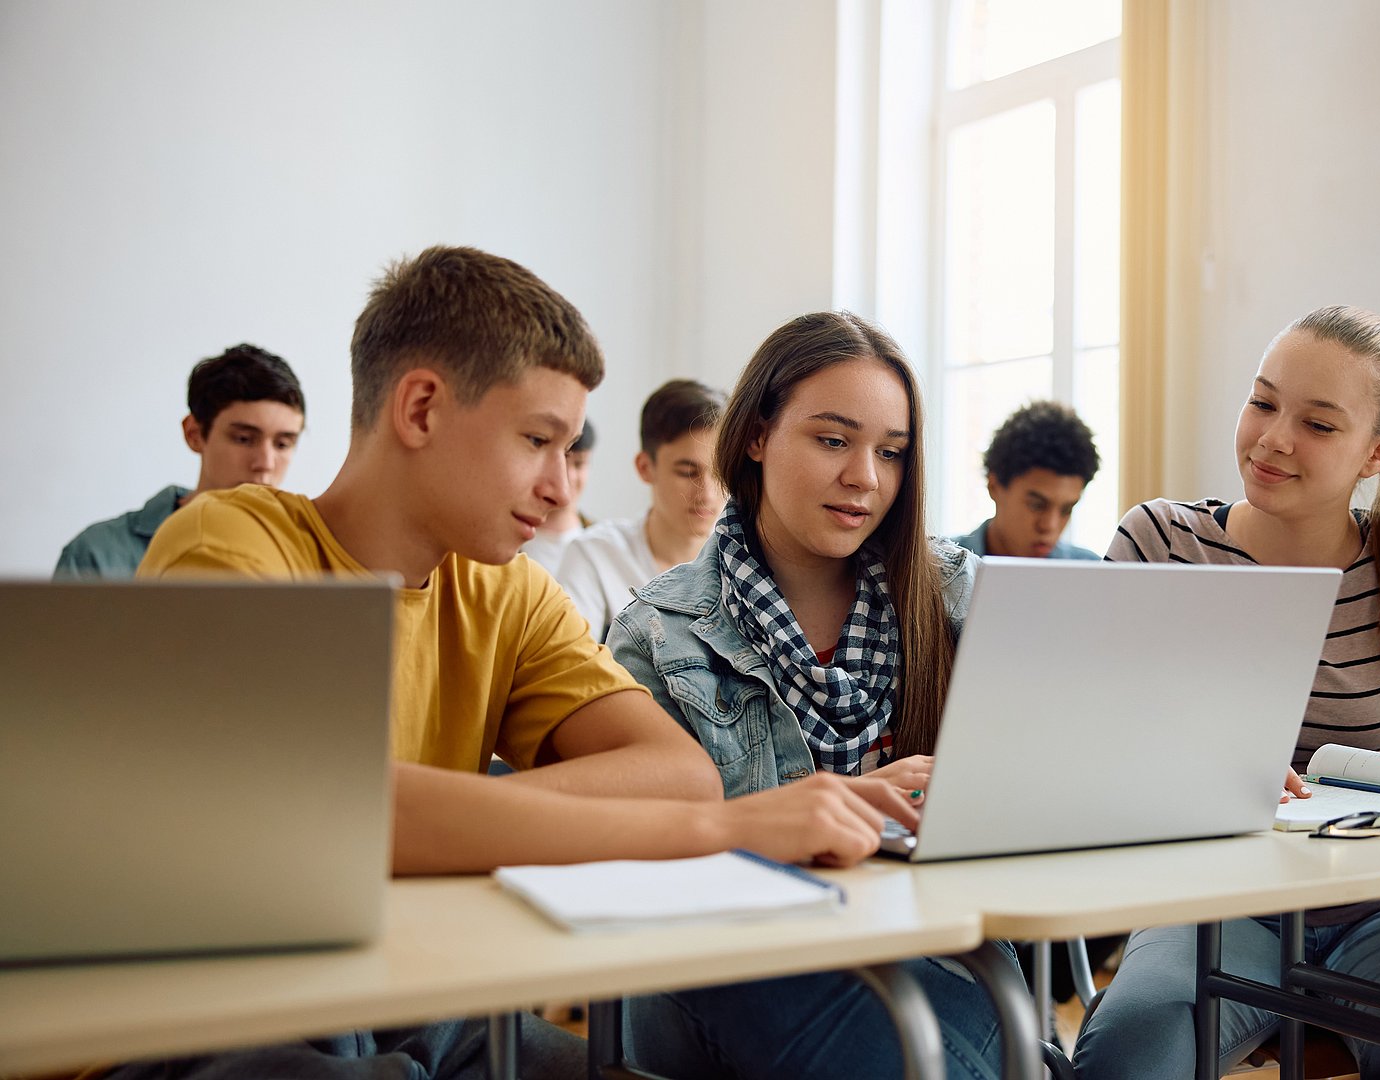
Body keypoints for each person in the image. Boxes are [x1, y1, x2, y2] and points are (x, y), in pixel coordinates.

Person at [121, 248, 917, 1080]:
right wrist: (721, 833)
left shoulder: (509, 592)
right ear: (422, 409)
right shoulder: (232, 542)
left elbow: (678, 777)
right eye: (538, 440)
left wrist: (410, 816)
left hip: (415, 1005)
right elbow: (315, 817)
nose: (559, 484)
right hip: (212, 1022)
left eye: (569, 449)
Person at [1072, 305, 1380, 1080]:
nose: (1274, 438)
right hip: (1214, 902)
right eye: (1262, 402)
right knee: (1127, 1063)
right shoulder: (1161, 543)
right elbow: (1081, 728)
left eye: (1319, 425)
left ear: (1376, 453)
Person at [607, 311, 1008, 1080]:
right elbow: (630, 851)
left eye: (891, 453)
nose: (866, 477)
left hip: (934, 961)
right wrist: (838, 808)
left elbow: (1065, 754)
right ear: (756, 436)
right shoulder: (659, 633)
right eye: (833, 440)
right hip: (729, 964)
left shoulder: (957, 594)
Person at [55, 343, 305, 577]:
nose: (265, 463)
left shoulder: (305, 556)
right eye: (243, 439)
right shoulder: (96, 555)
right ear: (194, 434)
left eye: (283, 444)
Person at [556, 378, 726, 640]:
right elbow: (570, 667)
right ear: (645, 467)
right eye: (687, 472)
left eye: (720, 473)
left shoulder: (746, 562)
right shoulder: (595, 555)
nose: (707, 493)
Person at [951, 400, 1101, 559]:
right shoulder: (933, 570)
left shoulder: (1092, 571)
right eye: (1037, 505)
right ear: (994, 487)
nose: (1050, 525)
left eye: (1066, 510)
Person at [519, 416, 595, 569]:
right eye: (561, 462)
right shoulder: (509, 541)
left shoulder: (602, 543)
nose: (568, 476)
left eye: (579, 464)